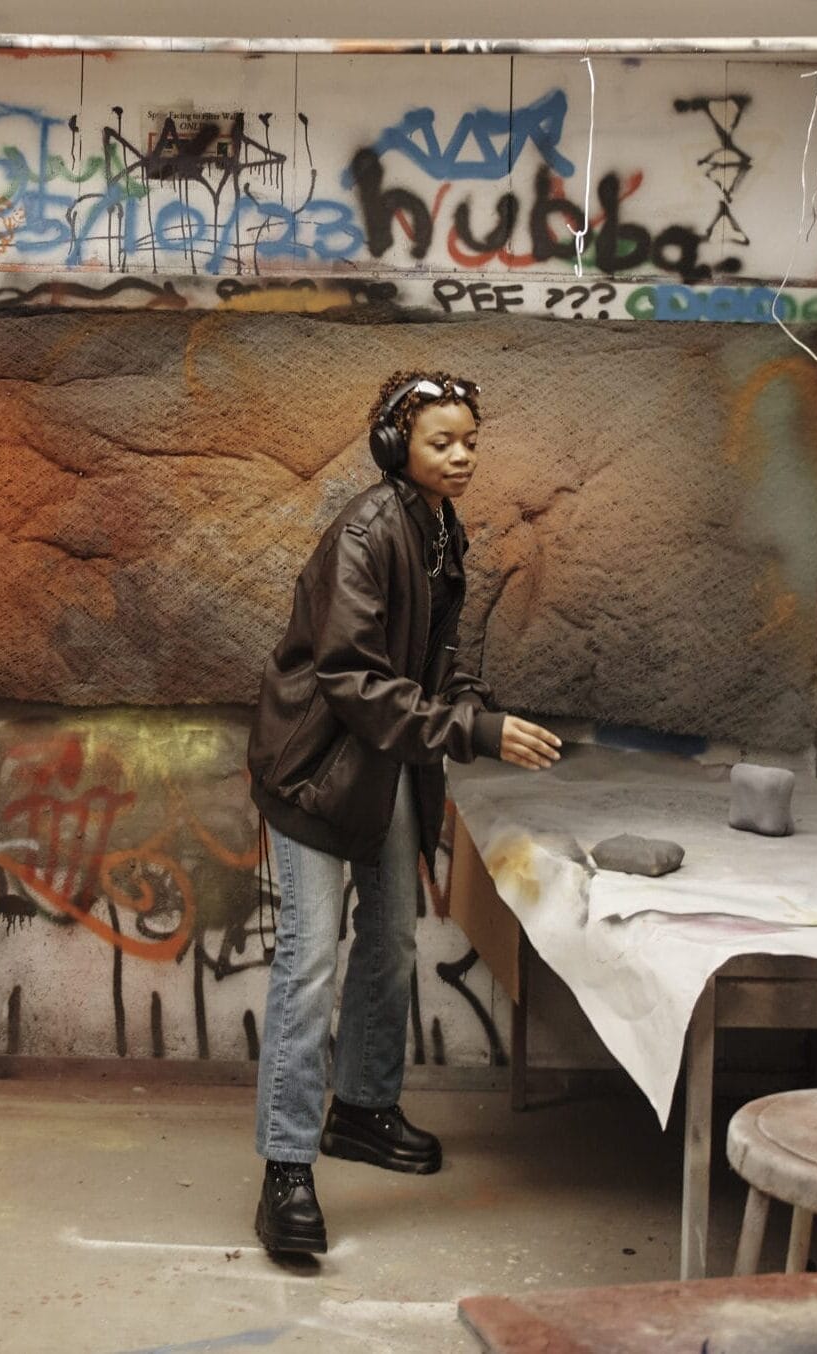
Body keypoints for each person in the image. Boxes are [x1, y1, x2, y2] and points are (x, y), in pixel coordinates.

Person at [245, 369, 563, 1258]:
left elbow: (438, 658)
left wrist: (475, 704)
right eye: (441, 442)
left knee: (387, 941)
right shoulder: (366, 534)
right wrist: (475, 730)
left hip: (381, 767)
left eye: (469, 441)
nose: (461, 456)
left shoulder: (438, 531)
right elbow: (351, 680)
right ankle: (285, 1170)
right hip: (316, 774)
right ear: (397, 447)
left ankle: (365, 1110)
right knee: (308, 965)